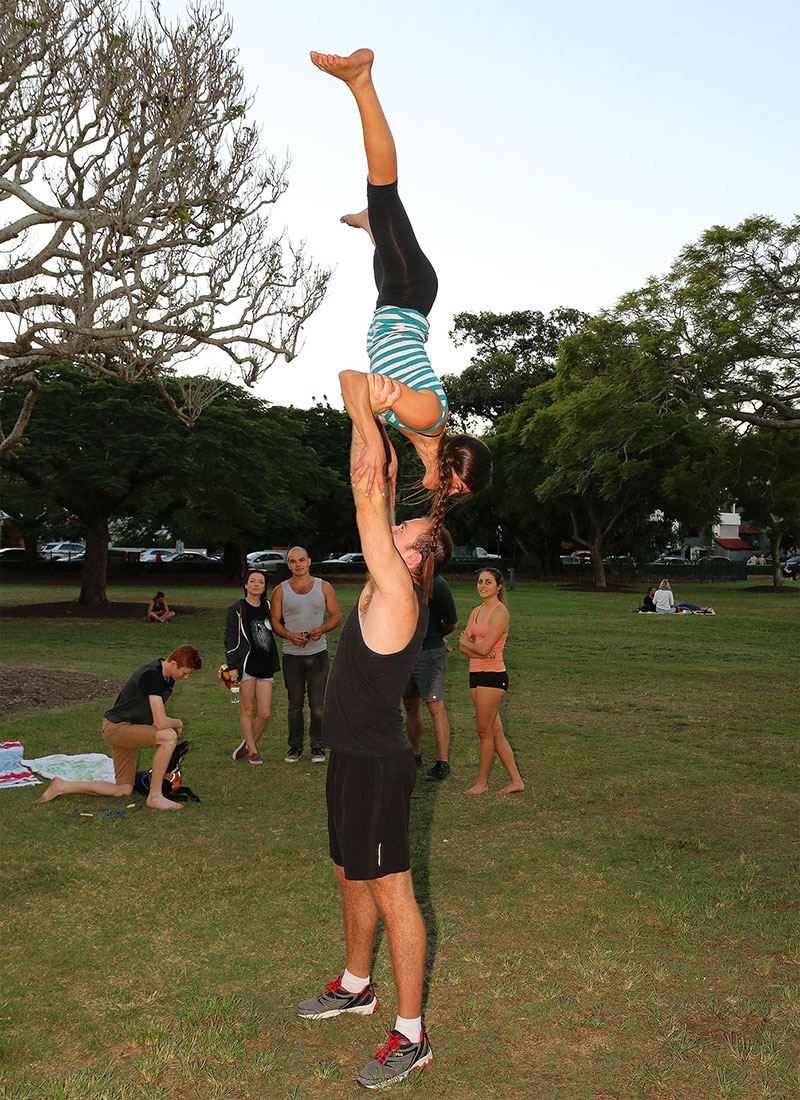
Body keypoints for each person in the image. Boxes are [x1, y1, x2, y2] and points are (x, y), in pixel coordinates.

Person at [295, 417, 452, 1088]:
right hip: (349, 758)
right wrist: (385, 455)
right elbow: (373, 494)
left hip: (381, 766)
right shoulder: (382, 583)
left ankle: (412, 1037)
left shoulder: (399, 594)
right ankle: (358, 984)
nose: (394, 531)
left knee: (394, 893)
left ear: (417, 561)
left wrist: (369, 419)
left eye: (407, 536)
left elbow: (367, 502)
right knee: (347, 872)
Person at [310, 47, 492, 510]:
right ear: (452, 465)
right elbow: (352, 379)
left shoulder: (413, 429)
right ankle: (361, 81)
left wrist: (384, 445)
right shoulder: (428, 417)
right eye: (455, 489)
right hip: (409, 294)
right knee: (384, 187)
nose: (446, 494)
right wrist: (373, 439)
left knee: (381, 233)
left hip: (393, 303)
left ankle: (371, 225)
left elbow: (365, 387)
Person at [35, 644, 202, 811]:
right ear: (173, 663)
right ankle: (155, 796)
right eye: (185, 672)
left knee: (123, 790)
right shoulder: (152, 676)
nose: (185, 677)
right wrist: (178, 723)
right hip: (116, 729)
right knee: (168, 737)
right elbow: (161, 722)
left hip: (127, 728)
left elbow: (151, 718)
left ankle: (62, 786)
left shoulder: (166, 678)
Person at [271, 546, 341, 764]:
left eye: (301, 560)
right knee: (294, 704)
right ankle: (295, 747)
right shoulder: (280, 590)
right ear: (288, 564)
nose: (298, 565)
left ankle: (317, 746)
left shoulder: (324, 587)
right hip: (292, 655)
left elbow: (336, 617)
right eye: (293, 561)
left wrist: (321, 629)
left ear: (309, 561)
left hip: (318, 654)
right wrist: (289, 635)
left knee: (318, 704)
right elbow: (274, 622)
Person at [460, 569, 524, 797]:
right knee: (495, 730)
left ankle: (482, 783)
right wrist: (478, 651)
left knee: (483, 730)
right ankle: (516, 781)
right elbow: (462, 645)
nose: (482, 585)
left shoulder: (500, 613)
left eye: (488, 582)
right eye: (479, 581)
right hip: (475, 673)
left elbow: (483, 647)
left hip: (493, 676)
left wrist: (477, 649)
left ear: (498, 586)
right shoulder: (476, 611)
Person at [221, 570, 280, 766]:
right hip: (245, 666)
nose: (256, 584)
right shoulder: (237, 609)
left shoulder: (269, 606)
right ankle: (253, 752)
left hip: (265, 666)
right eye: (252, 581)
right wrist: (232, 667)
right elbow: (230, 639)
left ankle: (247, 743)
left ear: (264, 587)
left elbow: (280, 627)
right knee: (247, 709)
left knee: (265, 713)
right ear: (245, 585)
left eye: (260, 582)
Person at [403, 573, 458, 780]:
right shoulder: (400, 578)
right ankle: (414, 755)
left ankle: (442, 762)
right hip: (405, 653)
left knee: (435, 706)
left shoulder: (437, 583)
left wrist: (435, 636)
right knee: (410, 705)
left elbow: (451, 623)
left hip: (429, 653)